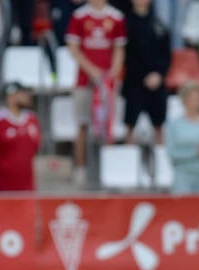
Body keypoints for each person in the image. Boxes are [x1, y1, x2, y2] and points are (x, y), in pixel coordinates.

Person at [65, 0, 126, 183]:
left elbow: (119, 48)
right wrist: (91, 70)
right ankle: (81, 168)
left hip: (107, 83)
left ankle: (107, 168)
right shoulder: (79, 16)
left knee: (107, 125)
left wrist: (113, 73)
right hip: (84, 81)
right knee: (82, 123)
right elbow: (73, 48)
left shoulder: (116, 16)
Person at [123, 0, 169, 146]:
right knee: (130, 124)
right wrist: (143, 76)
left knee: (159, 125)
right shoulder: (125, 24)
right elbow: (125, 55)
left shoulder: (159, 24)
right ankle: (127, 160)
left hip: (157, 81)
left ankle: (161, 162)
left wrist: (158, 74)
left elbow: (166, 55)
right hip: (134, 81)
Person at [0, 82, 41, 192]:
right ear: (10, 96)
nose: (27, 95)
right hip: (2, 186)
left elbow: (34, 149)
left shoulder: (32, 119)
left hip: (27, 185)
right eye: (22, 93)